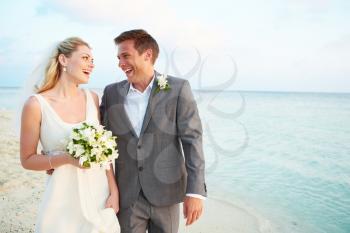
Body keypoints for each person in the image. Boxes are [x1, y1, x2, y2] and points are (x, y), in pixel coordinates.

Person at [100, 29, 207, 233]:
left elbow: (192, 140)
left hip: (167, 194)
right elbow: (98, 137)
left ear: (147, 55)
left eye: (125, 56)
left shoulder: (178, 88)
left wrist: (195, 192)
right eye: (118, 58)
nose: (120, 64)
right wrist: (61, 155)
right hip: (126, 195)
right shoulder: (111, 93)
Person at [20, 37, 120, 233]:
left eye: (92, 61)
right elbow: (27, 160)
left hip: (99, 197)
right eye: (85, 58)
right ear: (63, 60)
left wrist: (114, 191)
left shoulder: (92, 98)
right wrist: (64, 158)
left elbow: (104, 151)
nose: (91, 64)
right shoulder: (36, 105)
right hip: (61, 201)